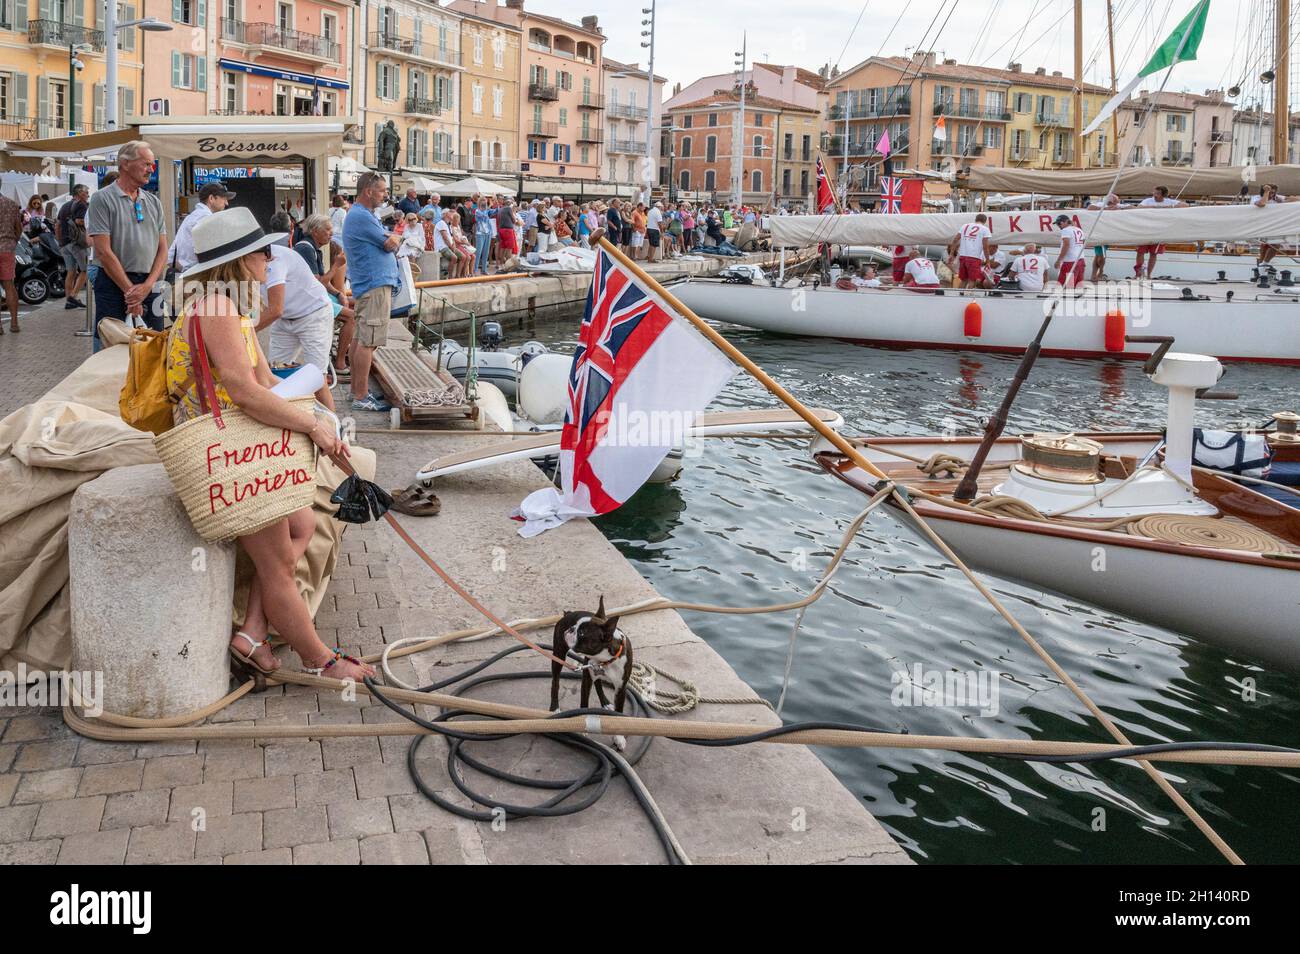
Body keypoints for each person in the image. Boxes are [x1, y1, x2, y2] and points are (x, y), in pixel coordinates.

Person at [166, 207, 371, 683]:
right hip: (226, 450)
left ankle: (252, 632)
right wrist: (313, 426)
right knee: (279, 562)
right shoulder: (216, 308)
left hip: (238, 439)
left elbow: (263, 380)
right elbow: (241, 390)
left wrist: (317, 409)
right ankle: (321, 660)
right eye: (262, 251)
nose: (269, 257)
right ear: (239, 260)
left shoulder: (230, 308)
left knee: (301, 525)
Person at [86, 140, 168, 339]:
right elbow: (103, 252)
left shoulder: (153, 202)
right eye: (146, 164)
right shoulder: (102, 198)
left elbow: (163, 249)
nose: (151, 169)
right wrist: (131, 292)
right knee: (112, 346)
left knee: (153, 344)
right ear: (124, 164)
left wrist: (147, 287)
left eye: (152, 164)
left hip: (150, 284)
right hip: (114, 283)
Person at [342, 170, 401, 412]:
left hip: (369, 283)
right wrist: (395, 237)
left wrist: (390, 238)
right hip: (374, 284)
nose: (385, 195)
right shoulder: (362, 216)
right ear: (368, 191)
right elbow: (389, 243)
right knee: (368, 341)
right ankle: (361, 396)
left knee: (361, 338)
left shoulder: (361, 215)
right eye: (382, 191)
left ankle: (357, 391)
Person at [258, 241, 337, 411]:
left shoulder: (273, 262)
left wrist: (243, 331)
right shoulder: (252, 258)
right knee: (275, 374)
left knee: (317, 379)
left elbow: (275, 310)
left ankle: (335, 430)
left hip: (313, 314)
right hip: (286, 318)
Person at [170, 182, 235, 273]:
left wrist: (185, 270)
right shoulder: (207, 219)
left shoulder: (190, 217)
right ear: (211, 198)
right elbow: (215, 255)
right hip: (199, 278)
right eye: (224, 198)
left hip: (186, 277)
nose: (227, 203)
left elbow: (170, 257)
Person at [1133, 185, 1185, 278]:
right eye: (1154, 192)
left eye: (1157, 193)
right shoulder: (1148, 201)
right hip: (1145, 230)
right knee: (1140, 252)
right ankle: (1140, 274)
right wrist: (1153, 207)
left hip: (1159, 232)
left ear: (1163, 195)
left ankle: (1148, 275)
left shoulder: (1169, 202)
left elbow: (1185, 205)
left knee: (1153, 254)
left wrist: (1169, 207)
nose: (1154, 195)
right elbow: (1138, 207)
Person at [57, 184, 91, 310]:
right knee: (86, 270)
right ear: (80, 193)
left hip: (65, 243)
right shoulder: (81, 204)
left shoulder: (64, 206)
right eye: (86, 192)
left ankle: (68, 302)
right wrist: (90, 223)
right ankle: (73, 296)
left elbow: (58, 225)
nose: (88, 194)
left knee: (71, 272)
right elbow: (79, 221)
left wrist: (60, 242)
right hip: (77, 243)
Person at [1253, 183, 1297, 268]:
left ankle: (1263, 264)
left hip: (1273, 226)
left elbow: (1296, 199)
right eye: (1270, 192)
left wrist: (1283, 201)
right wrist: (1266, 192)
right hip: (1260, 226)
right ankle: (1262, 266)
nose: (1272, 194)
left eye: (1273, 192)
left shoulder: (1276, 198)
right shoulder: (1256, 197)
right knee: (1264, 247)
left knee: (1275, 244)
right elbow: (1261, 204)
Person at [951, 213, 992, 288]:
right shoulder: (985, 229)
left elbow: (955, 240)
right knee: (972, 280)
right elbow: (985, 247)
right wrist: (988, 261)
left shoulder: (965, 226)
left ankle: (959, 296)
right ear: (984, 221)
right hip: (974, 257)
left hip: (963, 256)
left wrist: (951, 254)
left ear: (975, 219)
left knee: (964, 280)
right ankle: (968, 297)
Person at [0, 192, 21, 333]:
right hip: (7, 248)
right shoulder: (11, 204)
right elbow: (18, 228)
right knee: (9, 286)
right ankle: (14, 323)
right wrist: (14, 241)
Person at [1053, 214, 1086, 288]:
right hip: (1081, 259)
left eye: (1059, 223)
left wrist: (1058, 260)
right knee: (1078, 285)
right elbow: (1083, 243)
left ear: (1064, 222)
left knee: (1065, 285)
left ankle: (1063, 298)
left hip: (1070, 261)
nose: (1059, 226)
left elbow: (1066, 245)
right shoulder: (1079, 229)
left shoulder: (1066, 230)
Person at [473, 197, 493, 274]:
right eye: (483, 202)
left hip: (488, 233)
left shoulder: (487, 210)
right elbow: (484, 216)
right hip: (480, 234)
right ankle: (474, 270)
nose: (484, 203)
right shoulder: (477, 211)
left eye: (485, 201)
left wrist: (495, 204)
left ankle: (484, 270)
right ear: (479, 203)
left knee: (486, 252)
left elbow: (495, 212)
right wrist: (489, 206)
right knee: (478, 252)